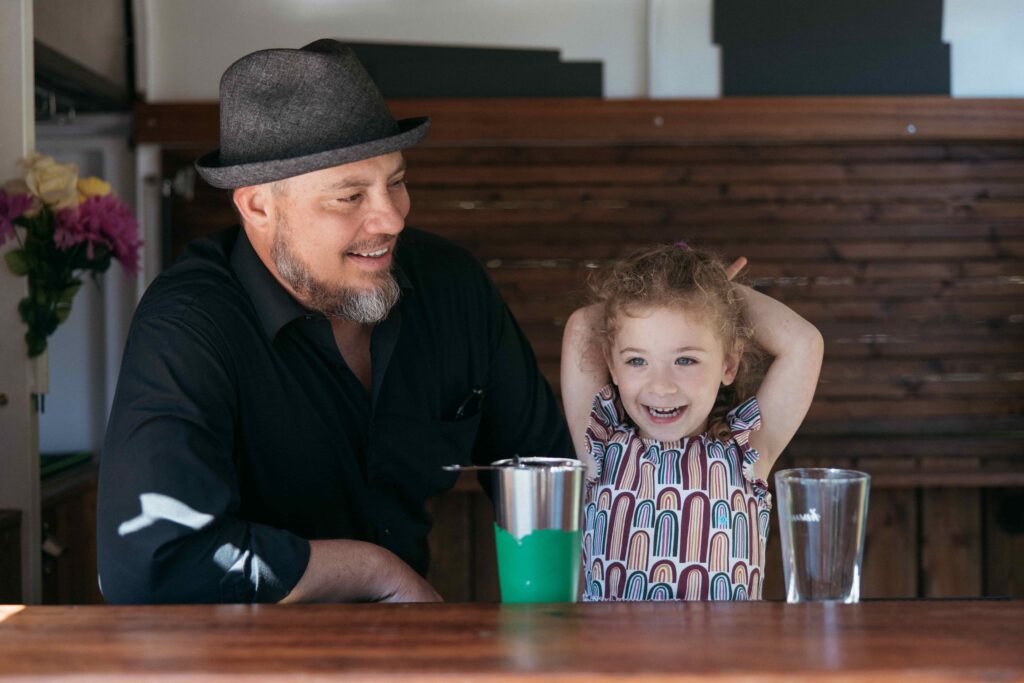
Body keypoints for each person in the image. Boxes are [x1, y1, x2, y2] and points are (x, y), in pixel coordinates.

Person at [97, 39, 571, 604]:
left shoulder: (451, 286)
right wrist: (374, 571)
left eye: (396, 181)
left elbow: (548, 471)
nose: (392, 218)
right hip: (247, 662)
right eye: (350, 196)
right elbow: (151, 562)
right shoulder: (189, 326)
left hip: (411, 649)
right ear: (257, 207)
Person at [560, 243, 823, 601]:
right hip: (614, 658)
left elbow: (804, 343)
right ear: (612, 364)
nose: (661, 386)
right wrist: (679, 284)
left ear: (728, 365)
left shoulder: (747, 453)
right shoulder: (600, 447)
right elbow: (581, 326)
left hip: (726, 658)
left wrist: (715, 293)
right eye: (637, 361)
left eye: (685, 361)